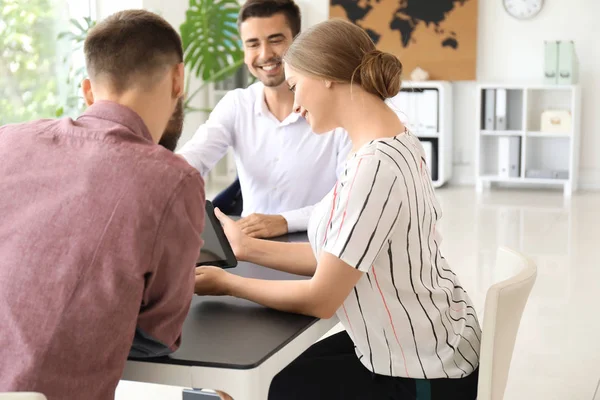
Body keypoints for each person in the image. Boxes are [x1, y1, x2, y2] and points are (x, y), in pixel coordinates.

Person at [194, 19, 480, 400]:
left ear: (326, 75)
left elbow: (322, 298)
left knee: (260, 385)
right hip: (435, 339)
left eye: (295, 87)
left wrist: (227, 284)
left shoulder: (373, 168)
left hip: (423, 371)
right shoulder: (393, 141)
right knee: (266, 375)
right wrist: (247, 249)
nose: (294, 104)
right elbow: (339, 256)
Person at [0, 10, 205, 400]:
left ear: (88, 90)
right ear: (178, 79)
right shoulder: (173, 179)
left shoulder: (6, 140)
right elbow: (158, 334)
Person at [177, 0, 351, 239]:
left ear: (298, 42)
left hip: (318, 245)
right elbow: (194, 158)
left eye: (276, 40)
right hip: (250, 246)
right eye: (252, 44)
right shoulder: (237, 104)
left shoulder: (336, 110)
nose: (265, 54)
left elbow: (349, 199)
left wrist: (285, 221)